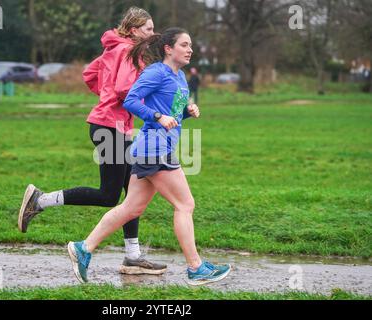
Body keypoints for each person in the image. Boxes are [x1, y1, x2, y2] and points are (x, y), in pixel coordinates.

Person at [67, 28, 232, 286]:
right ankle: (195, 268)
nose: (190, 50)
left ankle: (83, 248)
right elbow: (131, 100)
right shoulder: (156, 72)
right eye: (184, 45)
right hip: (154, 149)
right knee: (185, 204)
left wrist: (186, 112)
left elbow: (170, 114)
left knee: (132, 207)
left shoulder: (180, 77)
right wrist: (157, 117)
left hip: (154, 147)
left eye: (191, 45)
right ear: (168, 48)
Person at [18, 7, 167, 275]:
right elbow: (124, 89)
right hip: (110, 126)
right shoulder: (127, 52)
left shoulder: (113, 48)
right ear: (134, 31)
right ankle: (40, 200)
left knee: (132, 190)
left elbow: (89, 75)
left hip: (111, 123)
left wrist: (107, 95)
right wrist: (139, 101)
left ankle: (132, 256)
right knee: (109, 195)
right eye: (147, 28)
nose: (152, 33)